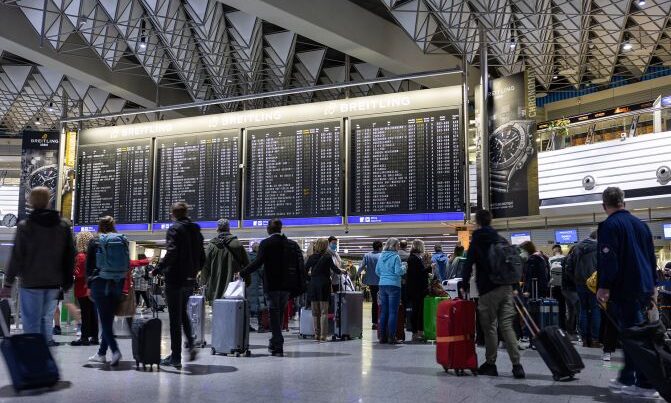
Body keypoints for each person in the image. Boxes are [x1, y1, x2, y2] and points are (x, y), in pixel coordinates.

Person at [597, 187, 659, 399]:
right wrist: (653, 288)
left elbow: (609, 259)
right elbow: (651, 259)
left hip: (625, 289)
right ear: (624, 202)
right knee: (634, 334)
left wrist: (604, 287)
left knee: (633, 337)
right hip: (643, 286)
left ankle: (645, 382)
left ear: (604, 205)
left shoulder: (609, 225)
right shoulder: (641, 225)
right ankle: (628, 378)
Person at [0, 187, 75, 347]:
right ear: (49, 201)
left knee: (31, 324)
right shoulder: (63, 226)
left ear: (31, 202)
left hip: (31, 283)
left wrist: (8, 283)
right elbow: (69, 256)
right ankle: (46, 362)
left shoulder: (25, 226)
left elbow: (17, 257)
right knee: (47, 321)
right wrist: (67, 282)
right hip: (54, 283)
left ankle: (35, 361)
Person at [462, 210, 525, 379]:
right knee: (506, 326)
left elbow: (468, 263)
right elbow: (509, 262)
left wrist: (464, 284)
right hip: (506, 288)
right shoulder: (500, 238)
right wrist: (514, 285)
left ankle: (491, 363)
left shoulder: (478, 239)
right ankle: (517, 365)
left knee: (490, 327)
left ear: (477, 222)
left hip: (488, 289)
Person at [240, 219, 304, 356]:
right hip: (286, 286)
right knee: (279, 313)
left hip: (272, 285)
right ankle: (275, 342)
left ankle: (278, 343)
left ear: (269, 229)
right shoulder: (290, 244)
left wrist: (243, 272)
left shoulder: (266, 243)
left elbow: (258, 262)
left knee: (274, 313)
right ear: (280, 229)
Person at [153, 202, 205, 368]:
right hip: (189, 279)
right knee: (182, 313)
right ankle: (190, 344)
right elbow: (203, 256)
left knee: (175, 318)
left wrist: (158, 268)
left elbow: (172, 251)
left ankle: (175, 357)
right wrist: (194, 271)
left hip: (175, 279)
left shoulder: (174, 229)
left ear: (173, 214)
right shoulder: (196, 230)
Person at [85, 216, 130, 366]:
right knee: (108, 319)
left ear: (100, 226)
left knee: (104, 321)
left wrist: (89, 285)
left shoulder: (95, 241)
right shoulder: (122, 240)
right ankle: (101, 353)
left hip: (100, 282)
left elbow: (89, 266)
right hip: (117, 282)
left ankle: (115, 351)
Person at [201, 219, 250, 302]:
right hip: (234, 290)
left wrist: (204, 282)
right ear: (229, 228)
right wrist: (248, 282)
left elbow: (205, 267)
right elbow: (247, 265)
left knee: (217, 312)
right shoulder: (237, 244)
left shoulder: (211, 246)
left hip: (215, 288)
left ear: (217, 229)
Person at [566, 231, 600, 348]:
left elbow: (568, 267)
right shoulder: (599, 247)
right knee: (595, 309)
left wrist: (576, 279)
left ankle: (584, 339)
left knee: (583, 310)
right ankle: (595, 339)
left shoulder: (577, 247)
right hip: (594, 284)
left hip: (580, 284)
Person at [305, 238, 341, 342]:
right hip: (324, 285)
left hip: (313, 285)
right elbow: (335, 269)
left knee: (315, 312)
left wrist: (310, 279)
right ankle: (323, 335)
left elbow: (304, 270)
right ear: (325, 246)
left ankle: (316, 335)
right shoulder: (327, 257)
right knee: (324, 312)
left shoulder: (311, 257)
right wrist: (342, 271)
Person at [376, 238, 406, 344]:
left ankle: (382, 337)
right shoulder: (396, 257)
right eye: (397, 245)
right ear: (394, 246)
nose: (398, 246)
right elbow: (398, 271)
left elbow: (377, 271)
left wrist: (384, 277)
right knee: (393, 312)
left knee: (384, 311)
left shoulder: (381, 256)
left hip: (382, 285)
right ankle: (391, 337)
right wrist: (404, 267)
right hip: (394, 286)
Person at [71, 231, 98, 346]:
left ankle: (84, 337)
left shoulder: (81, 256)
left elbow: (79, 273)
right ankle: (95, 337)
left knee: (85, 313)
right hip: (93, 287)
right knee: (93, 312)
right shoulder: (94, 255)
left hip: (83, 288)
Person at [406, 239, 429, 342]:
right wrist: (428, 268)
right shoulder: (413, 259)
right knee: (416, 311)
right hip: (416, 289)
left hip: (417, 289)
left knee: (418, 311)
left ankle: (419, 332)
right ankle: (415, 333)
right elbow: (417, 274)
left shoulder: (415, 258)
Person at [357, 241, 382, 330]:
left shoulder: (367, 255)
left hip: (371, 282)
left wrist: (357, 274)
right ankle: (381, 321)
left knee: (374, 302)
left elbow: (361, 267)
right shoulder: (382, 255)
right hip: (382, 282)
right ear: (380, 247)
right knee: (382, 302)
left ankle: (374, 323)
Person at [246, 241, 266, 331]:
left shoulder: (247, 257)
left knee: (248, 306)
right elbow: (262, 272)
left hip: (248, 285)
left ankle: (247, 326)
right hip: (258, 285)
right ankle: (261, 326)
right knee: (260, 305)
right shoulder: (260, 259)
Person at [562, 245, 581, 342]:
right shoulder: (570, 259)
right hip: (571, 289)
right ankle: (573, 331)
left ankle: (571, 331)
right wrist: (577, 282)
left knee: (571, 311)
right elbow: (569, 273)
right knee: (576, 310)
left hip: (566, 288)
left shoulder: (566, 259)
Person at [548, 244, 567, 330]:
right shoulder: (565, 258)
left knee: (556, 307)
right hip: (564, 286)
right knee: (564, 307)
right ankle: (565, 327)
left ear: (554, 251)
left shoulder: (550, 259)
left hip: (554, 286)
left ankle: (557, 326)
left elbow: (548, 274)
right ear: (560, 250)